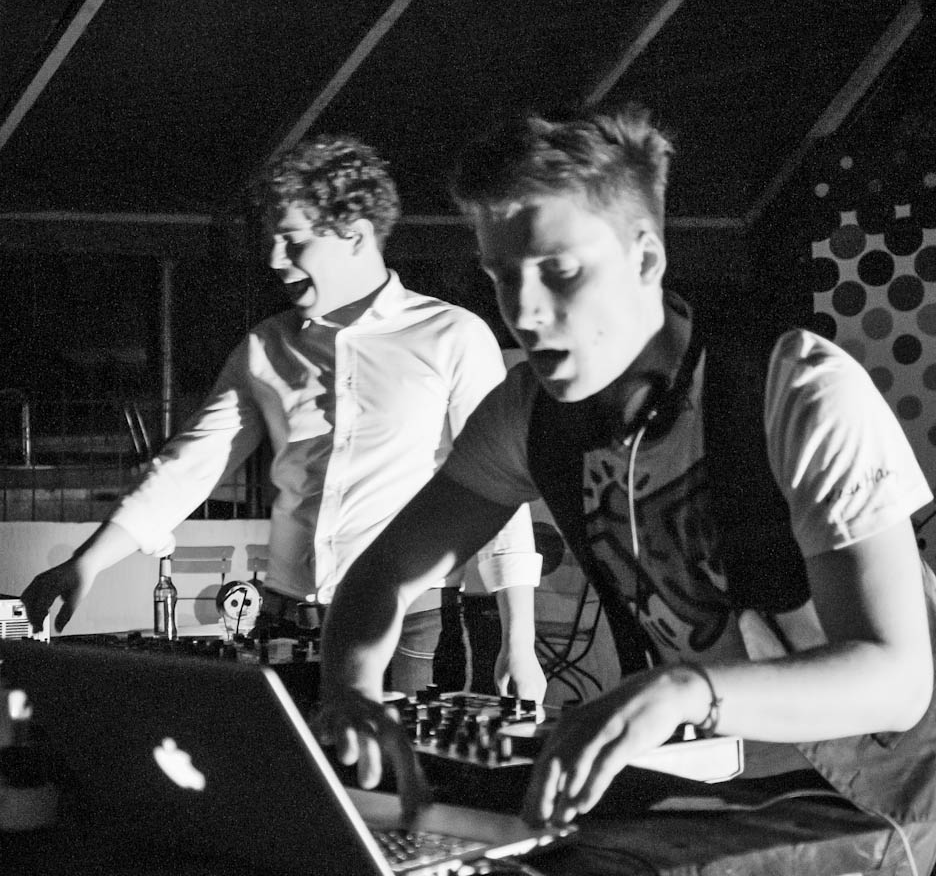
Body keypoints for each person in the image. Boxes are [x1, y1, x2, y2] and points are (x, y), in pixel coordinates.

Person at [314, 105, 936, 865]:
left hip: (906, 801)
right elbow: (386, 571)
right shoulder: (526, 414)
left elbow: (895, 681)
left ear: (646, 259)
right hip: (750, 783)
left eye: (560, 271)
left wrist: (681, 691)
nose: (525, 314)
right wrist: (351, 688)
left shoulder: (796, 390)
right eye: (503, 278)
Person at [21, 134, 546, 701]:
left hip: (410, 623)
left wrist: (519, 641)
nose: (274, 259)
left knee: (392, 762)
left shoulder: (452, 335)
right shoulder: (265, 346)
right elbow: (187, 468)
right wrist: (86, 563)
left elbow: (498, 487)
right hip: (286, 622)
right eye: (270, 240)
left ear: (355, 234)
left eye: (293, 240)